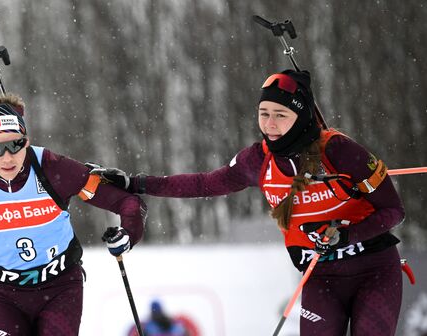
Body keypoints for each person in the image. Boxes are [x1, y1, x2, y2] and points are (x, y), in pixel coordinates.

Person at [91, 69, 405, 335]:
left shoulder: (339, 150)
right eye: (263, 113)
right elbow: (204, 183)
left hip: (375, 269)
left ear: (301, 116)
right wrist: (136, 183)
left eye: (280, 115)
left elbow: (393, 210)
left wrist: (347, 235)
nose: (270, 124)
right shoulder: (258, 161)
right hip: (321, 275)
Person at [0, 93, 147, 336]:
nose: (7, 157)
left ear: (26, 141)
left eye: (15, 145)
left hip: (60, 286)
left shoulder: (51, 166)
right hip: (3, 294)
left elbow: (125, 201)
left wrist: (127, 233)